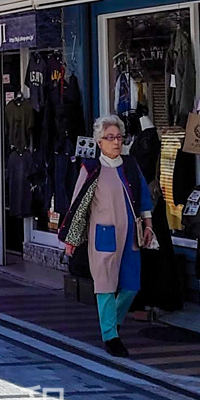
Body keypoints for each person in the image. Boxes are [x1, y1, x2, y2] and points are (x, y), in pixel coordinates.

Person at [61, 114, 153, 357]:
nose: (116, 142)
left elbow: (144, 197)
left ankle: (113, 322)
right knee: (105, 286)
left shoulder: (130, 165)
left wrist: (148, 225)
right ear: (99, 142)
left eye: (119, 137)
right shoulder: (91, 169)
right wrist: (71, 239)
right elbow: (78, 205)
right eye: (110, 138)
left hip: (130, 234)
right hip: (104, 234)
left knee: (131, 286)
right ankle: (111, 336)